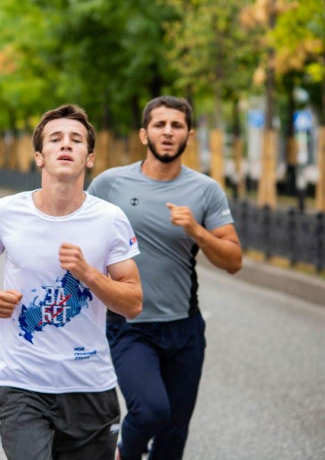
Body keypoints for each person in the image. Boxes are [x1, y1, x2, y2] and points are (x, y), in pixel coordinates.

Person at [0, 104, 143, 459]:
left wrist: (89, 274)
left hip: (89, 385)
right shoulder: (7, 211)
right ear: (39, 157)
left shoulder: (110, 219)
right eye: (56, 139)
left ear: (89, 158)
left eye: (76, 140)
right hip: (20, 382)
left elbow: (133, 302)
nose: (66, 145)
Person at [87, 96, 243, 460]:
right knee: (152, 410)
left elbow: (234, 260)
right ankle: (125, 453)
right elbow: (77, 229)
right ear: (144, 134)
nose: (168, 132)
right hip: (130, 325)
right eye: (160, 125)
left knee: (174, 435)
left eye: (176, 126)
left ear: (189, 135)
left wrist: (197, 231)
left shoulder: (205, 190)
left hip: (184, 328)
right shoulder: (111, 184)